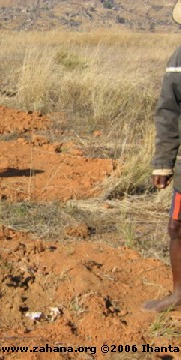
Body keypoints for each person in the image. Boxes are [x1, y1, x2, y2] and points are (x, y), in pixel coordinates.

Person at [146, 0, 181, 312]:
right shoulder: (178, 60)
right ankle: (178, 294)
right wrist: (163, 162)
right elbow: (168, 113)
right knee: (176, 228)